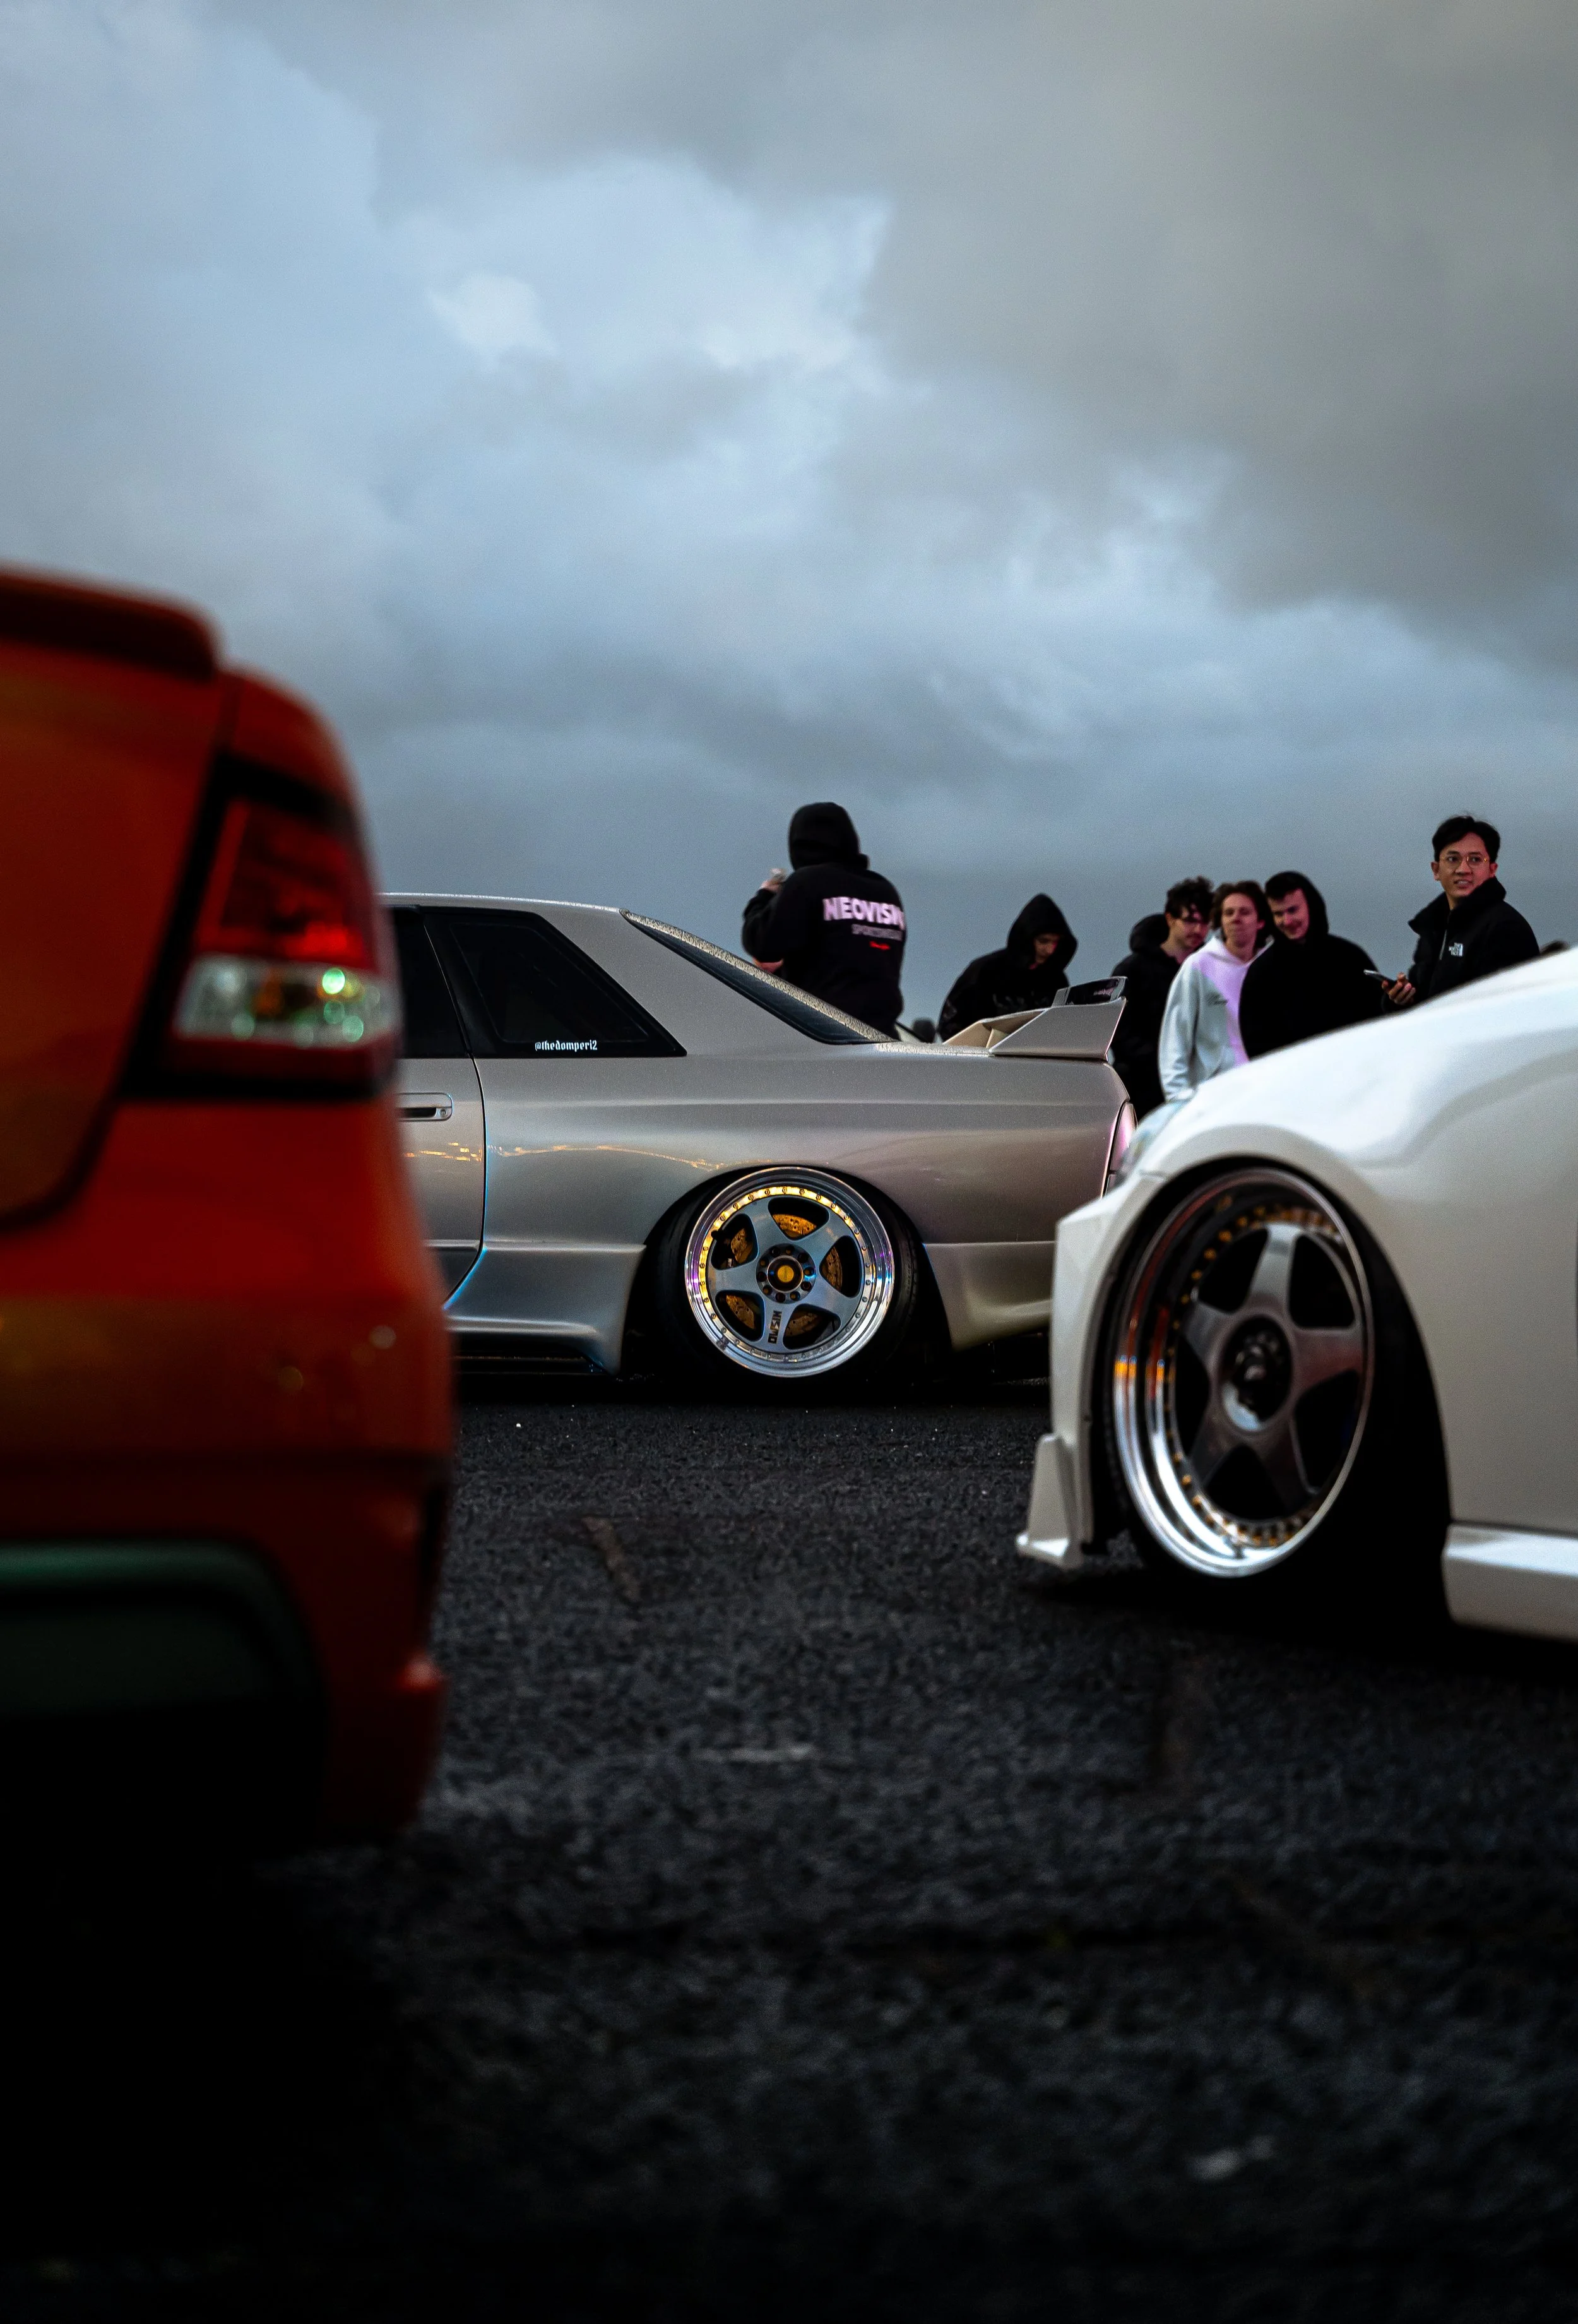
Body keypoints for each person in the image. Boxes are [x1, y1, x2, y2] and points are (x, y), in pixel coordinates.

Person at [742, 802, 906, 1034]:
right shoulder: (886, 892)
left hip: (825, 1037)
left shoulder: (807, 883)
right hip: (882, 1036)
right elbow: (845, 961)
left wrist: (764, 897)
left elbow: (761, 944)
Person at [1386, 814, 1538, 1006]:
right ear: (1436, 870)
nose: (1463, 869)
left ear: (1492, 869)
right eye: (1452, 859)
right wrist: (1401, 999)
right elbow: (1429, 1002)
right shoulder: (1434, 928)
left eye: (1475, 859)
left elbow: (1504, 1011)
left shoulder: (1505, 928)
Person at [1238, 871, 1386, 1058]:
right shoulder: (1260, 974)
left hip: (1354, 1072)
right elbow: (1257, 1047)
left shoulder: (1350, 958)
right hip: (1295, 1081)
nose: (1287, 921)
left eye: (1292, 910)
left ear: (1311, 906)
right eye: (1278, 914)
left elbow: (1379, 1019)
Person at [1158, 881, 1272, 1100]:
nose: (1236, 918)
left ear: (1261, 921)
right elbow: (1175, 1041)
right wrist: (1178, 1101)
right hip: (1214, 1096)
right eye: (1228, 913)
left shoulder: (1274, 967)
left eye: (1244, 912)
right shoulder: (1199, 966)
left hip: (1264, 1092)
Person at [1110, 876, 1212, 1116]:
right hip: (1143, 1090)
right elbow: (1119, 1034)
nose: (1198, 930)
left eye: (1205, 922)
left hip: (1198, 1088)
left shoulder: (1209, 970)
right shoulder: (1131, 970)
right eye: (1190, 921)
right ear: (1170, 918)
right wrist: (1165, 1060)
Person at [936, 894, 1077, 1039]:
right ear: (1027, 937)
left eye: (1055, 943)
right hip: (984, 1059)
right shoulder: (986, 972)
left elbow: (1064, 1028)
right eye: (1044, 941)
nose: (1050, 950)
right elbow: (951, 1024)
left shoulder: (1056, 980)